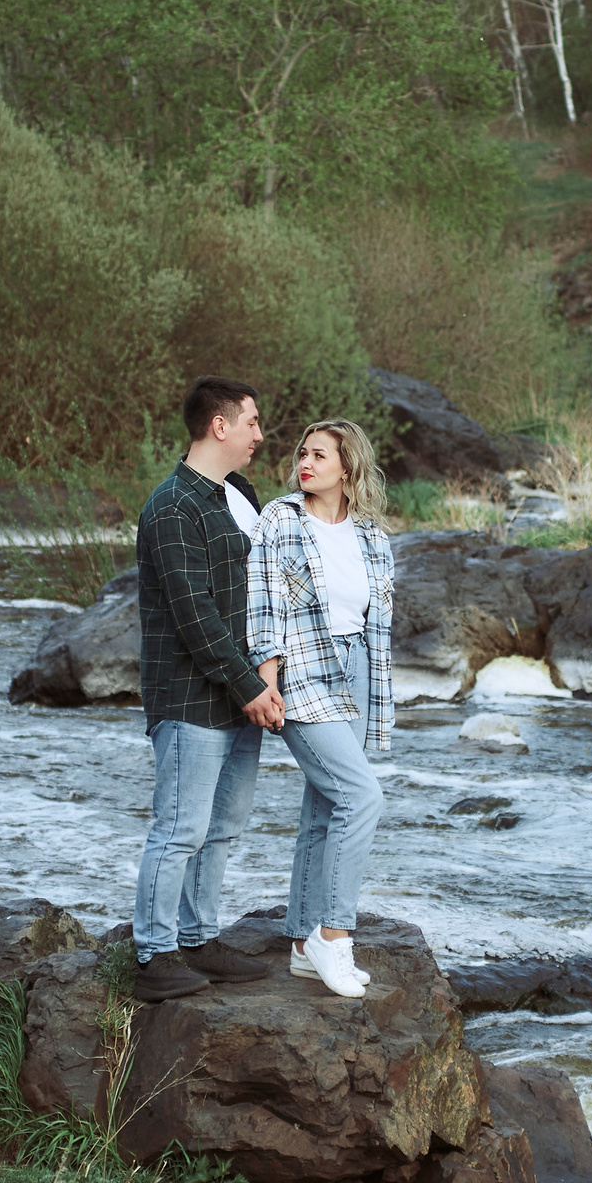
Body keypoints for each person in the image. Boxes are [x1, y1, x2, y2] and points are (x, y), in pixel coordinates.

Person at [131, 376, 285, 1003]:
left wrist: (265, 675)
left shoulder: (238, 496)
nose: (260, 434)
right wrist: (251, 686)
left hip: (239, 695)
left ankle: (198, 937)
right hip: (189, 697)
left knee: (222, 827)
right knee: (180, 829)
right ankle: (153, 954)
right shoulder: (173, 506)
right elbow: (194, 613)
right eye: (252, 421)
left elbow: (262, 591)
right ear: (219, 426)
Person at [246, 420, 395, 1000]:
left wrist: (377, 691)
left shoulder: (372, 536)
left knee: (325, 807)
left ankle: (303, 944)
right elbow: (262, 602)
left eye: (319, 455)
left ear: (348, 467)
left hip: (356, 669)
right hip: (304, 669)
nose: (305, 463)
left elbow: (376, 624)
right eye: (302, 454)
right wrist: (266, 677)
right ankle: (334, 935)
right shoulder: (280, 519)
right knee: (362, 797)